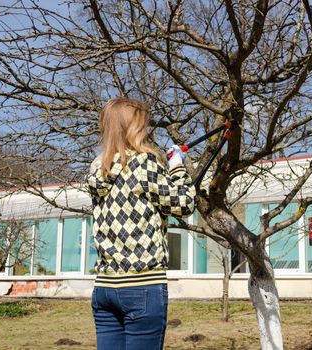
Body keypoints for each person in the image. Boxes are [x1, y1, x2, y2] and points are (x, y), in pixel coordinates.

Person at [87, 97, 195, 350]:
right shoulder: (143, 163)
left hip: (104, 287)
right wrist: (177, 167)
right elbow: (184, 204)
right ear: (135, 126)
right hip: (142, 286)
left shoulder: (97, 169)